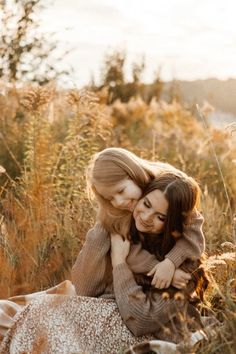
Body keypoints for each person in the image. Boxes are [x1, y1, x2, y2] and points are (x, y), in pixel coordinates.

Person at [72, 171, 208, 343]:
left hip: (132, 335)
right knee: (38, 311)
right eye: (146, 204)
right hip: (96, 319)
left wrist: (119, 262)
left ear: (175, 223)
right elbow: (82, 290)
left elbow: (141, 321)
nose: (145, 217)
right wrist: (106, 218)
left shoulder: (186, 268)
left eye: (161, 217)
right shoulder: (126, 229)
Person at [85, 147, 205, 289]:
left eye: (121, 191)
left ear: (133, 173)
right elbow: (128, 251)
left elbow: (194, 229)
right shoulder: (115, 212)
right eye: (109, 198)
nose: (118, 202)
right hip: (128, 279)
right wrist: (160, 269)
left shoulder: (168, 182)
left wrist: (171, 262)